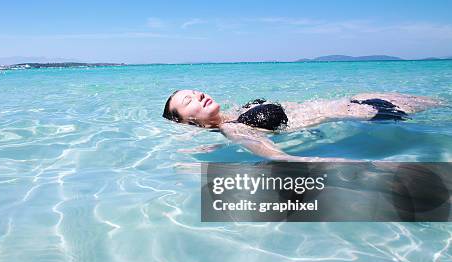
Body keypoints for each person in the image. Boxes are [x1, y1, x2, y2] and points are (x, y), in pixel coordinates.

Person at [162, 89, 442, 162]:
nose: (199, 95)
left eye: (196, 91)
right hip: (372, 114)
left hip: (360, 100)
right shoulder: (234, 129)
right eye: (189, 100)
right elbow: (283, 159)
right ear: (188, 121)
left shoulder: (236, 112)